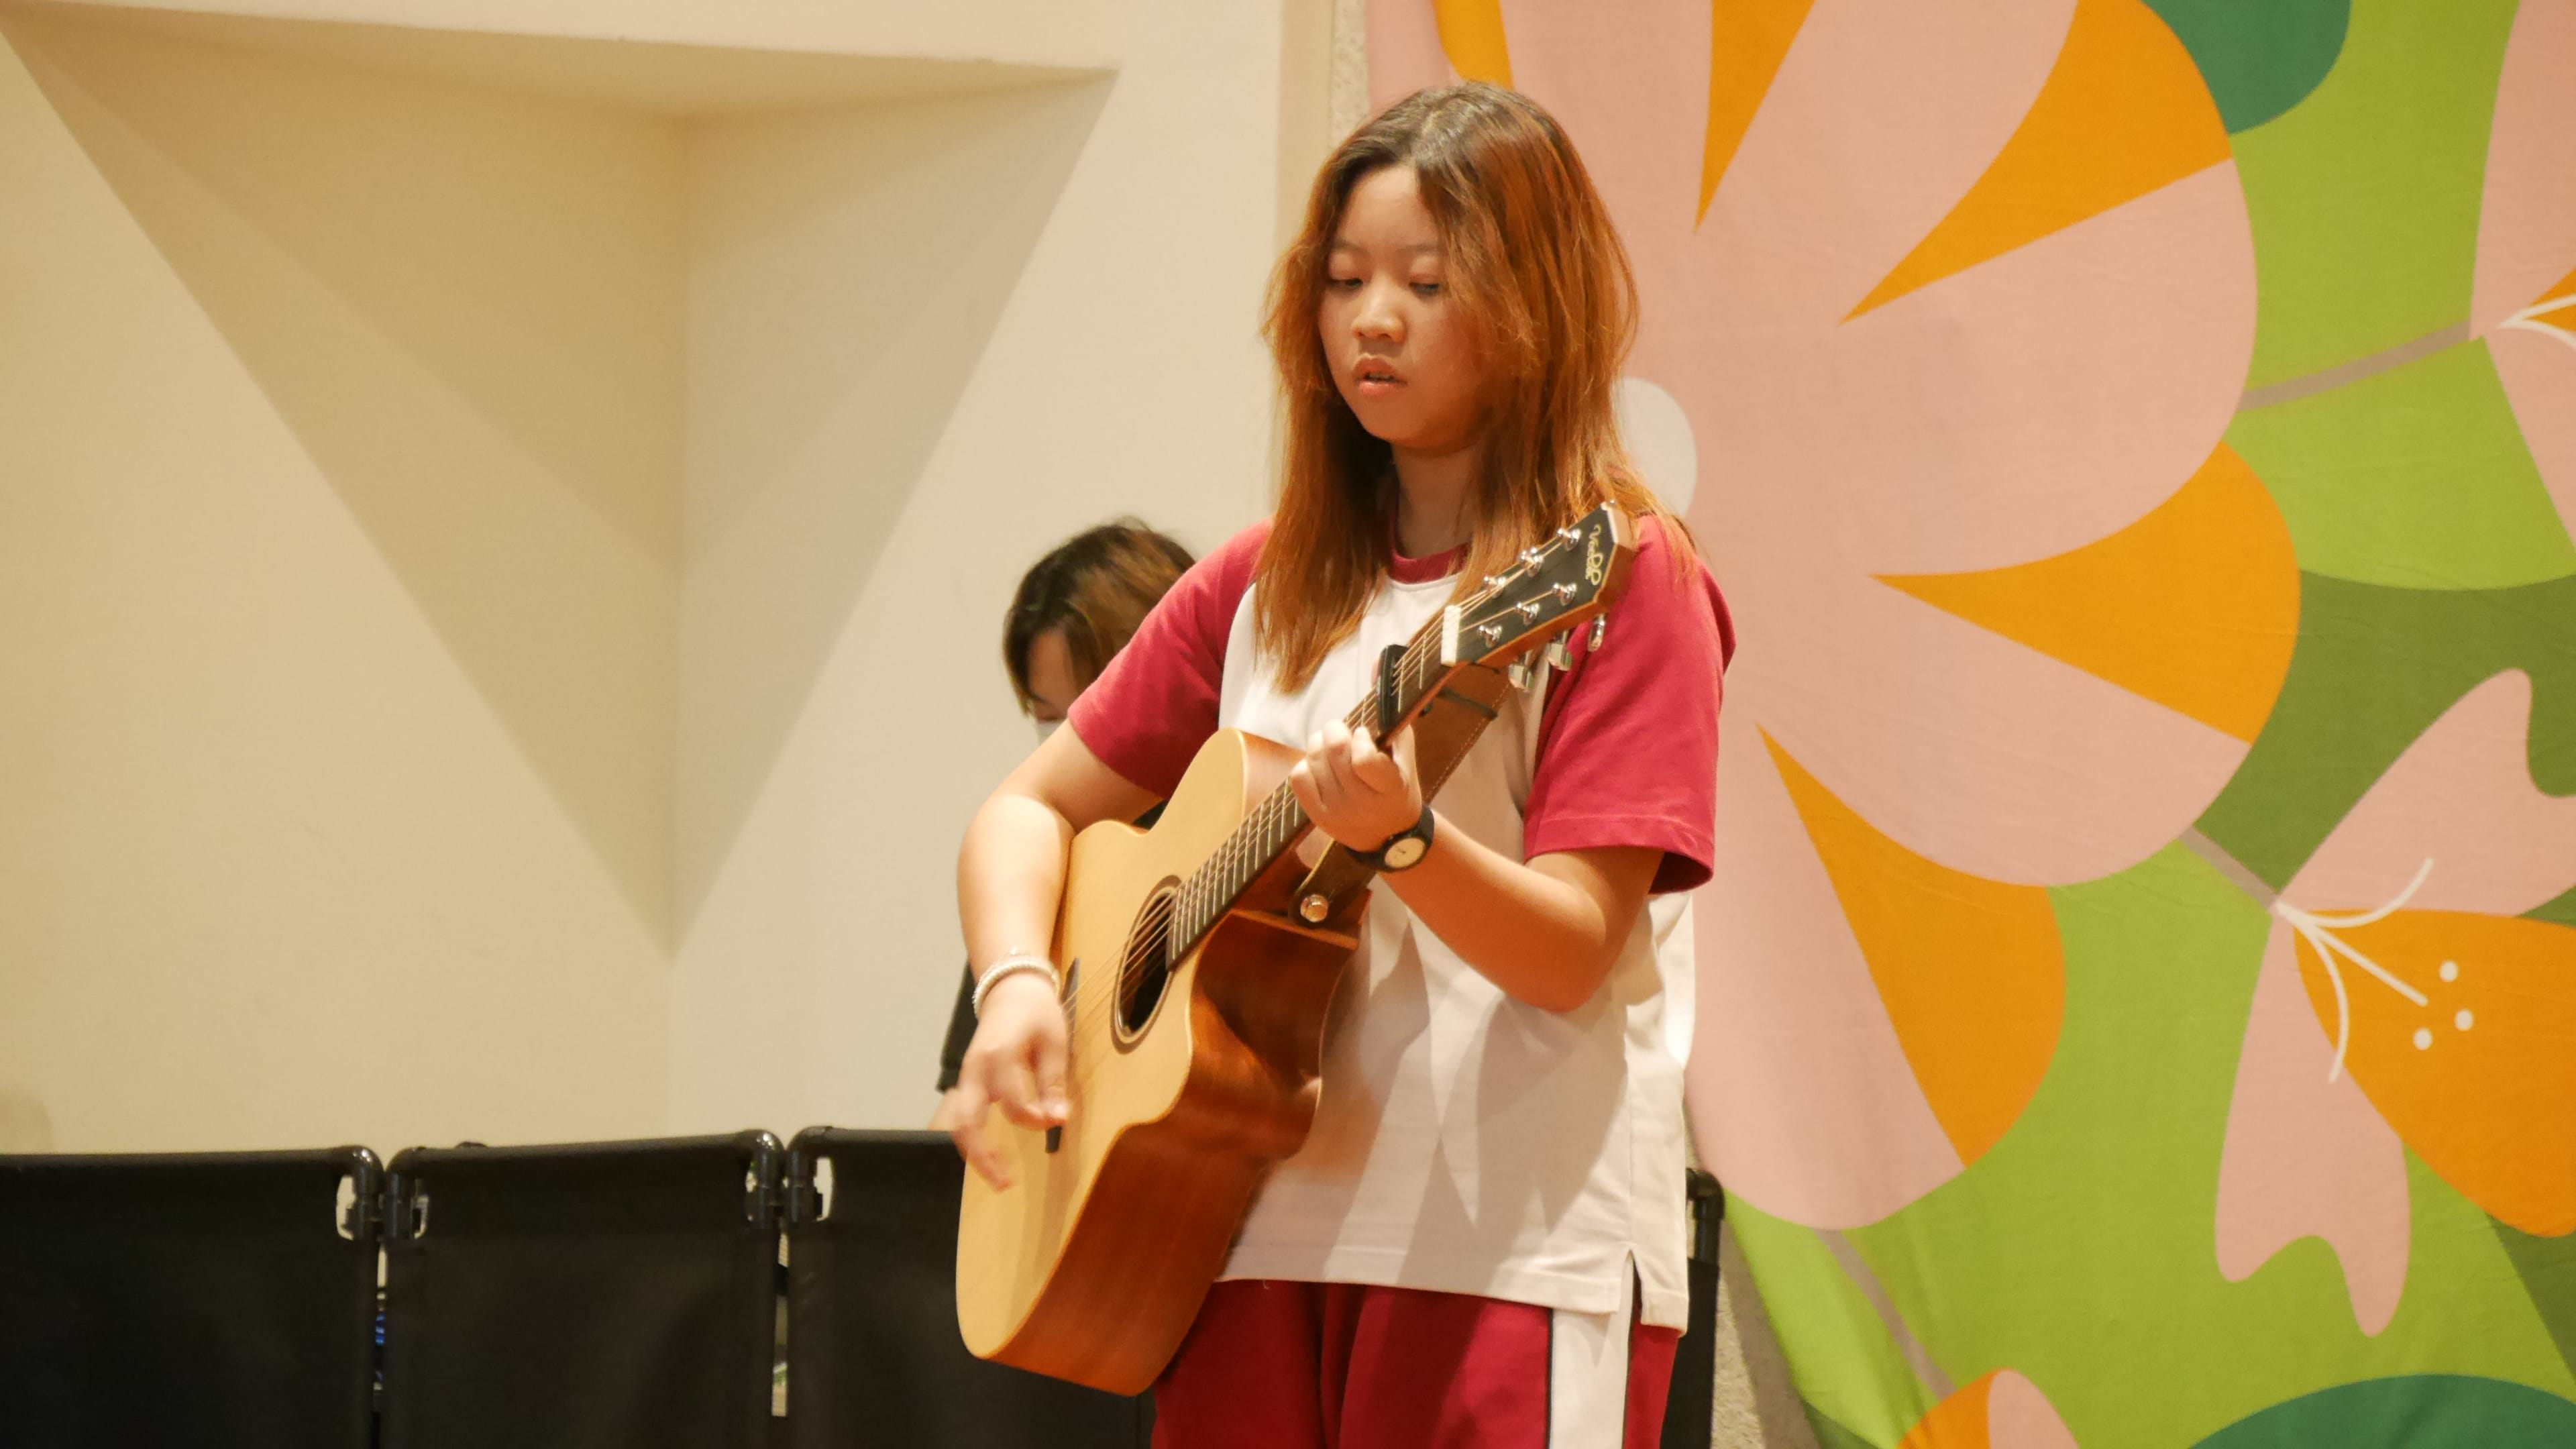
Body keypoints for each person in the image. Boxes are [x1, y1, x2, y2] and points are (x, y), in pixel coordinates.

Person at [949, 83, 1734, 1449]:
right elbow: (1024, 813)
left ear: (1535, 303)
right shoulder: (1262, 581)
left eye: (1427, 282)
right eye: (1345, 279)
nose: (1374, 317)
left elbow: (1572, 952)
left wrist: (1405, 842)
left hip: (1510, 1249)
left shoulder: (1626, 577)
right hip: (1235, 1230)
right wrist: (1017, 981)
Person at [929, 521, 1196, 1132]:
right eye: (1048, 717)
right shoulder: (1043, 868)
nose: (1073, 745)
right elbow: (963, 1111)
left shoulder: (1228, 817)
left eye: (1097, 709)